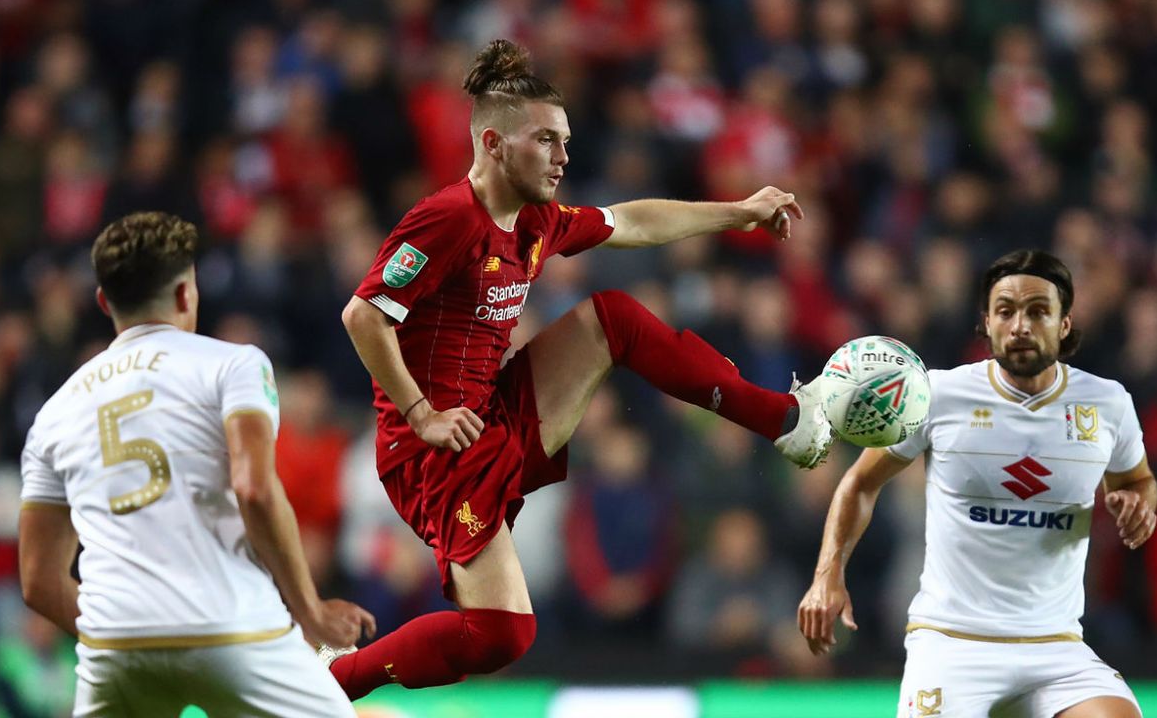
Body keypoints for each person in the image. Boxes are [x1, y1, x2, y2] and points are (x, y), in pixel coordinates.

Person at [328, 38, 833, 700]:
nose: (564, 157)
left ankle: (784, 421)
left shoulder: (534, 219)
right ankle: (328, 682)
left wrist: (737, 212)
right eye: (546, 141)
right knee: (503, 635)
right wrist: (421, 414)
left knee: (614, 319)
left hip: (492, 407)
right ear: (493, 144)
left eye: (565, 140)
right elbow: (362, 316)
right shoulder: (448, 219)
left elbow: (632, 221)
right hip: (437, 449)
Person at [17, 212, 375, 716]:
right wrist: (310, 610)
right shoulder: (234, 364)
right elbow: (253, 487)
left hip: (115, 646)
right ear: (187, 293)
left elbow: (37, 580)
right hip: (231, 626)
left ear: (104, 302)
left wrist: (125, 632)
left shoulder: (53, 413)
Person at [798, 249, 1157, 718]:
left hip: (1056, 647)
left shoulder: (1107, 404)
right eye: (1005, 311)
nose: (1020, 325)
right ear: (986, 324)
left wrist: (1138, 504)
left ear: (1064, 324)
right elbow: (860, 483)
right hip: (952, 643)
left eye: (1038, 311)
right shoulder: (938, 395)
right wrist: (828, 576)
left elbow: (1139, 480)